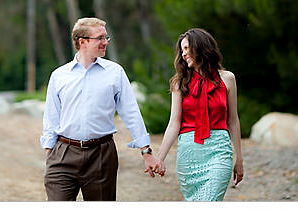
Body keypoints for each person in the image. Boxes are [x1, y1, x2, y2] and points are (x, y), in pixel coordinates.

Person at [41, 17, 162, 200]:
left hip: (101, 156)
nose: (105, 42)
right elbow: (51, 116)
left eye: (106, 37)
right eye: (100, 38)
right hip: (63, 154)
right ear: (82, 42)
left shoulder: (115, 73)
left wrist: (146, 151)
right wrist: (50, 153)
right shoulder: (59, 76)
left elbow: (130, 112)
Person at [154, 28, 244, 200]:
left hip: (219, 151)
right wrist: (160, 157)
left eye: (187, 48)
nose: (184, 54)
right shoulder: (179, 83)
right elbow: (174, 123)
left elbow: (233, 121)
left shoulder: (227, 79)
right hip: (189, 155)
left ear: (201, 47)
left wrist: (239, 159)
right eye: (182, 50)